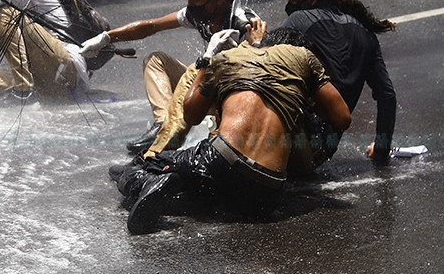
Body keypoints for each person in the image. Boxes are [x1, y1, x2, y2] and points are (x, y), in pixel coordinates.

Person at [117, 26, 351, 235]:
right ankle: (181, 189)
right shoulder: (304, 58)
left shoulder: (227, 57)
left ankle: (153, 180)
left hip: (221, 160)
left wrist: (206, 59)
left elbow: (191, 115)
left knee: (137, 167)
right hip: (269, 190)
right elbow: (343, 118)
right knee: (219, 194)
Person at [87, 0, 262, 160]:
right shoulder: (201, 12)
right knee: (156, 60)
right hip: (209, 87)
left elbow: (262, 72)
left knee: (196, 71)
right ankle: (163, 124)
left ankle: (162, 149)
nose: (189, 4)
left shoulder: (243, 25)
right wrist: (107, 37)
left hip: (233, 97)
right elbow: (151, 26)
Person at [270, 0, 396, 171]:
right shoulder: (367, 35)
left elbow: (258, 65)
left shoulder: (298, 21)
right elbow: (387, 96)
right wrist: (381, 150)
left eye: (291, 0)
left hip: (289, 142)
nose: (288, 8)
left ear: (311, 0)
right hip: (320, 151)